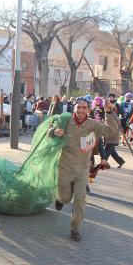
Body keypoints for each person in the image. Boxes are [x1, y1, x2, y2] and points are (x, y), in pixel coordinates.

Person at [51, 97, 119, 241]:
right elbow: (48, 132)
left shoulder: (92, 125)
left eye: (84, 108)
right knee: (66, 197)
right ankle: (60, 199)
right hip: (65, 168)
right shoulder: (65, 121)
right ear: (74, 108)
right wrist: (54, 132)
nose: (81, 111)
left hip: (82, 170)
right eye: (79, 107)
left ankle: (75, 229)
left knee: (80, 200)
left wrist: (108, 112)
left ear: (88, 109)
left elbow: (111, 131)